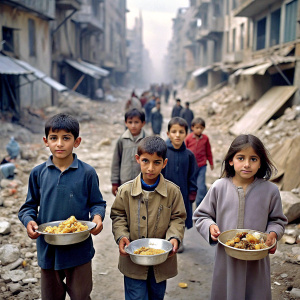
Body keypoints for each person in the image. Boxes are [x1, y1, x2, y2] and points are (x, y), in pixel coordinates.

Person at [18, 113, 106, 300]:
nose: (59, 143)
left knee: (81, 295)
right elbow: (28, 207)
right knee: (51, 296)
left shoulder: (87, 173)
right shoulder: (38, 173)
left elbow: (97, 203)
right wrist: (29, 222)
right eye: (53, 138)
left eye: (66, 138)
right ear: (45, 141)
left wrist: (97, 218)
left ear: (77, 141)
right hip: (49, 249)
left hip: (79, 250)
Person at [193, 134, 288, 300]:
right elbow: (202, 215)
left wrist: (273, 234)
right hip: (227, 259)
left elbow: (277, 221)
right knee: (227, 292)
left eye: (253, 159)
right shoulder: (219, 187)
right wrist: (210, 226)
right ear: (231, 160)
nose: (247, 164)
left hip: (256, 261)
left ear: (260, 163)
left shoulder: (270, 191)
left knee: (256, 292)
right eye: (241, 158)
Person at [110, 135, 186, 300]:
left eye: (157, 162)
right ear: (138, 159)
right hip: (133, 261)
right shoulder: (125, 191)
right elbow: (118, 216)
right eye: (146, 161)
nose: (150, 168)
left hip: (161, 261)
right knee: (136, 297)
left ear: (164, 163)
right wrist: (121, 236)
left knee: (156, 296)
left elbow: (178, 218)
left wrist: (174, 237)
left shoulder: (173, 192)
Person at [162, 117, 198, 252]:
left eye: (181, 132)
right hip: (164, 193)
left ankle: (179, 241)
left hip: (183, 193)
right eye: (174, 131)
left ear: (186, 134)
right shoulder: (163, 153)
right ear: (168, 134)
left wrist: (192, 192)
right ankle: (165, 241)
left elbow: (192, 175)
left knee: (180, 217)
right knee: (165, 216)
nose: (177, 135)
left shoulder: (189, 155)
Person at [111, 108, 147, 196]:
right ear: (126, 123)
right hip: (124, 181)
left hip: (143, 182)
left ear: (143, 123)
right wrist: (115, 182)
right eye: (130, 122)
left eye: (136, 122)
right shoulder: (122, 140)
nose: (133, 125)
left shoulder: (147, 140)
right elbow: (116, 161)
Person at [185, 117, 214, 207]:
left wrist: (211, 163)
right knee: (192, 185)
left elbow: (208, 151)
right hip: (191, 166)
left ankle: (200, 206)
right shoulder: (189, 138)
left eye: (201, 128)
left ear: (204, 128)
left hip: (202, 166)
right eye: (197, 128)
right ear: (192, 127)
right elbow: (184, 151)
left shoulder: (205, 139)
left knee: (200, 186)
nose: (199, 130)